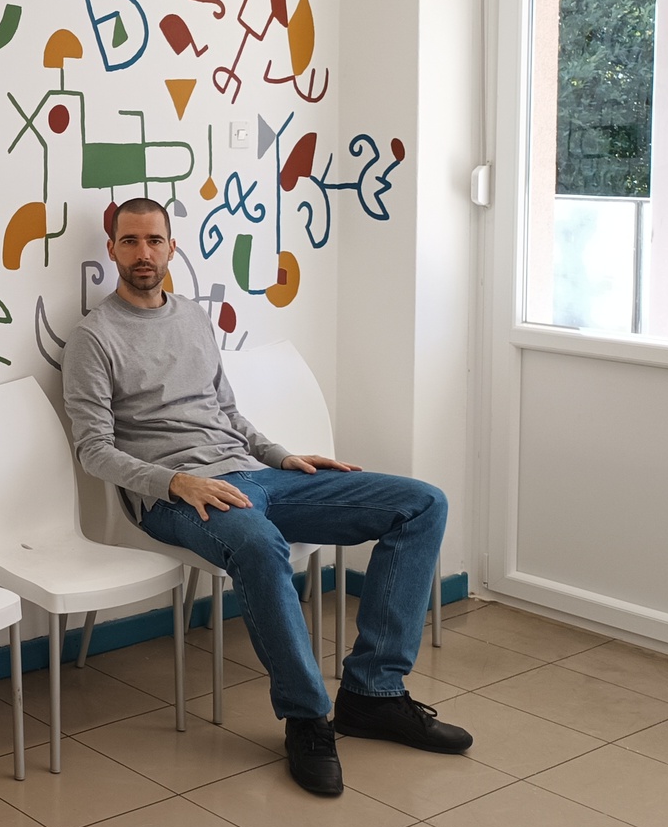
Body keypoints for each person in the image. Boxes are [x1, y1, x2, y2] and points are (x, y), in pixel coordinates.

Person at [61, 196, 469, 796]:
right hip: (177, 497)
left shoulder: (192, 317)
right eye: (130, 241)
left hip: (254, 475)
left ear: (172, 247)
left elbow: (227, 412)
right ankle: (307, 718)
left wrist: (282, 456)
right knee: (259, 544)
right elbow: (93, 450)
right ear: (112, 250)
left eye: (153, 240)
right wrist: (175, 482)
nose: (143, 253)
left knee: (422, 503)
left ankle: (373, 694)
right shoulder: (93, 337)